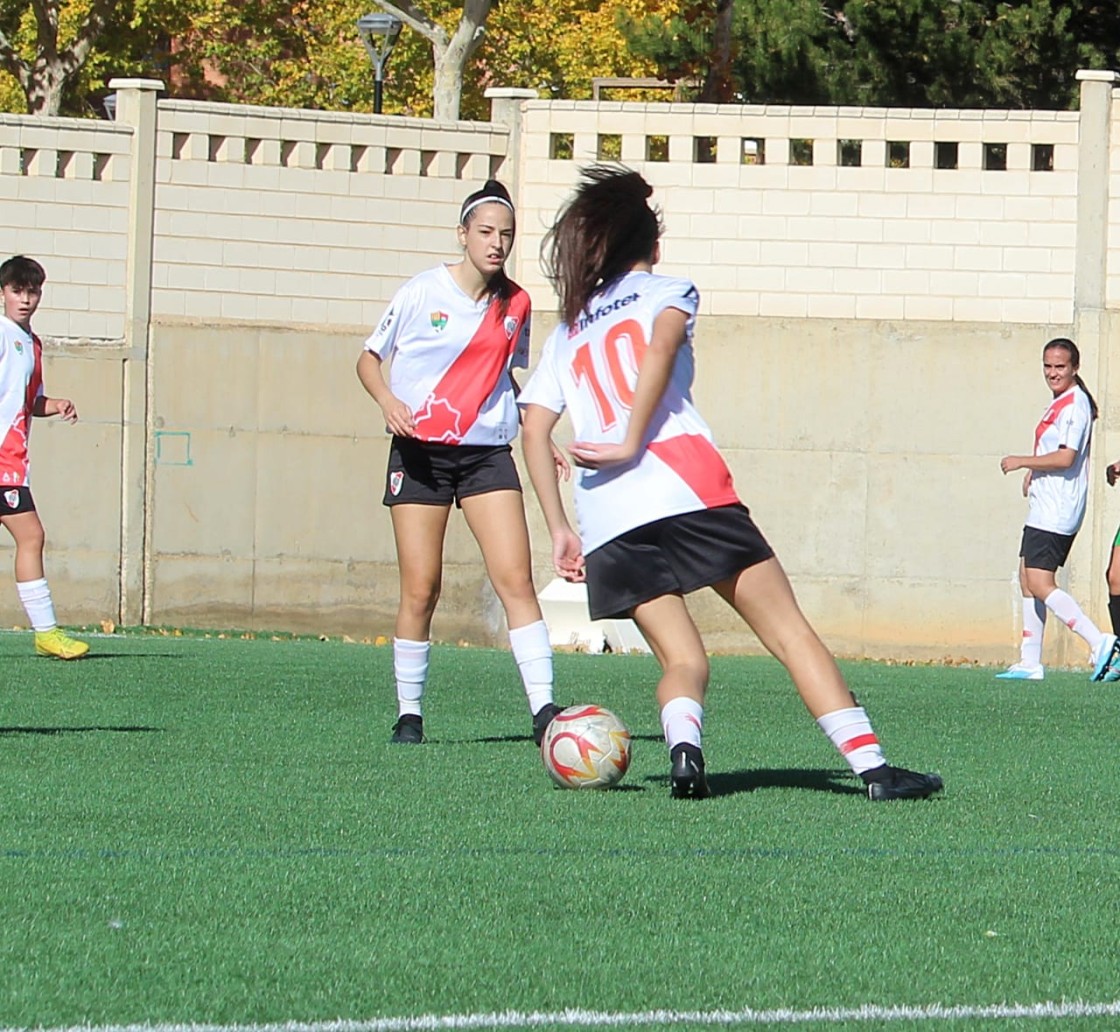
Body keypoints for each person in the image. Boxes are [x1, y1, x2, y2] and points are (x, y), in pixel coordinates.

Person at [518, 165, 943, 801]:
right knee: (788, 630)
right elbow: (659, 349)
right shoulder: (669, 289)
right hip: (686, 490)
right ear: (652, 245)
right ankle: (874, 770)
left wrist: (557, 526)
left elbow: (532, 429)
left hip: (605, 518)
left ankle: (685, 753)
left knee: (682, 660)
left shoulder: (570, 328)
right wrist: (634, 437)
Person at [357, 180, 564, 745]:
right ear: (463, 235)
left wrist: (538, 429)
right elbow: (369, 359)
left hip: (485, 456)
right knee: (422, 587)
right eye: (487, 233)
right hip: (421, 455)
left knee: (515, 579)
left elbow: (505, 376)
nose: (497, 244)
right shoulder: (423, 292)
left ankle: (545, 710)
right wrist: (389, 401)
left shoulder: (516, 303)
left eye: (507, 235)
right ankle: (409, 713)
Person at [997, 337, 1120, 682]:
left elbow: (1066, 457)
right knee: (1027, 576)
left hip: (1058, 508)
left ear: (1074, 368)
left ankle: (1100, 642)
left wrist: (1023, 462)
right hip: (1045, 503)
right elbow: (1053, 451)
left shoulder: (1075, 405)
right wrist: (1034, 473)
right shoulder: (1060, 401)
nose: (1053, 373)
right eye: (1048, 366)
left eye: (1060, 367)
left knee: (1039, 581)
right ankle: (1030, 661)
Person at [0, 255, 89, 659]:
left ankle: (47, 633)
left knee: (31, 537)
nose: (25, 299)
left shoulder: (32, 344)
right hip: (3, 460)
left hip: (12, 460)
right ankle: (46, 632)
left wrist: (53, 405)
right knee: (32, 536)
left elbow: (27, 400)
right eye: (17, 290)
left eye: (32, 291)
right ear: (3, 293)